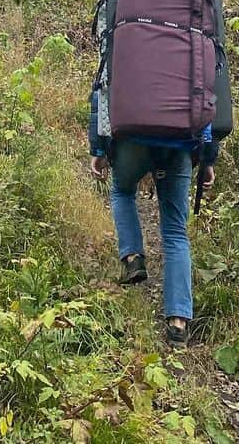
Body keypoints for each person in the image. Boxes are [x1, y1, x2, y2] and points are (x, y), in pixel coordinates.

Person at [89, 85, 218, 343]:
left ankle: (133, 257)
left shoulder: (123, 41)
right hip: (180, 141)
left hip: (132, 137)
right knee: (175, 231)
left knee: (122, 192)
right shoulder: (197, 42)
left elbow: (102, 89)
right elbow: (210, 98)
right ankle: (178, 321)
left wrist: (99, 150)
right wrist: (208, 159)